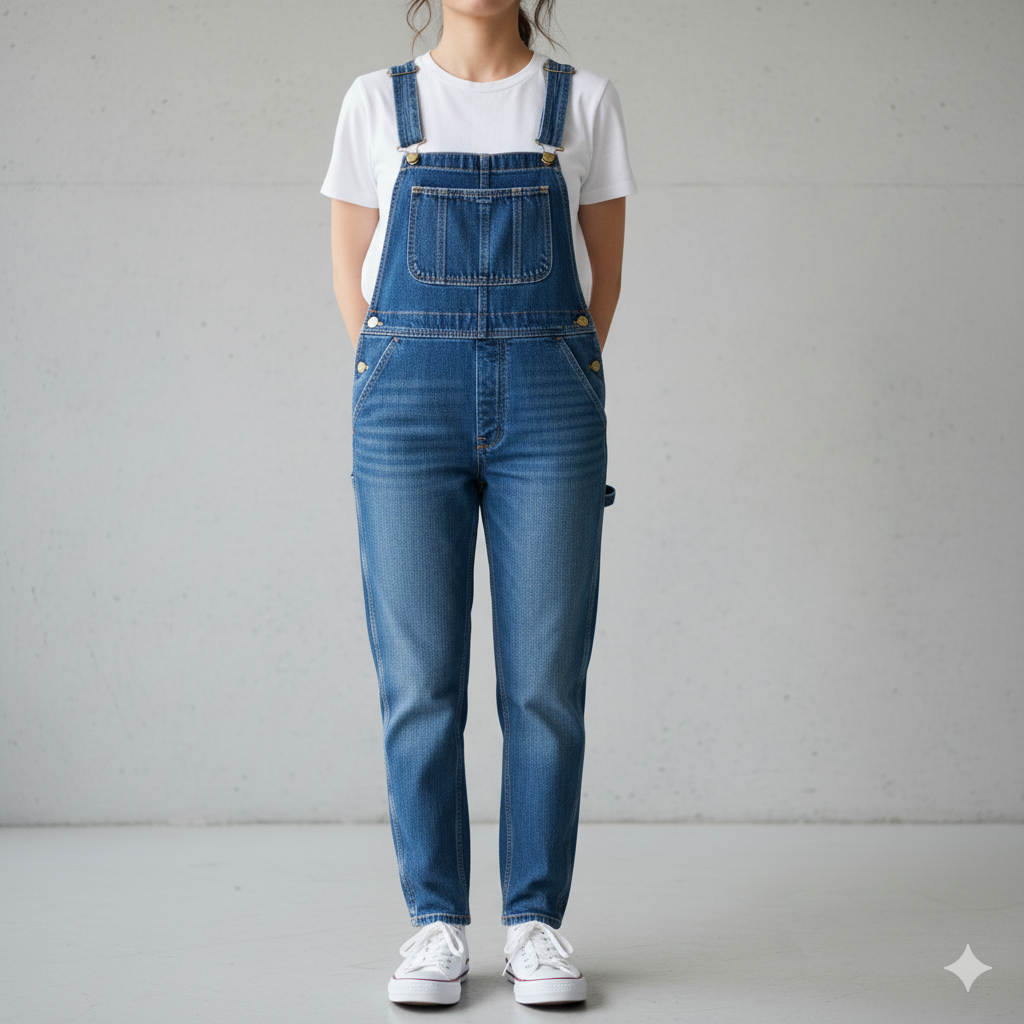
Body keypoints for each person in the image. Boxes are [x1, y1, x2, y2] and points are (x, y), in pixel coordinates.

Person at [322, 0, 636, 1006]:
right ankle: (436, 925)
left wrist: (553, 367)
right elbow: (349, 272)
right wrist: (395, 367)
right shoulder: (377, 103)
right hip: (406, 402)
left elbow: (604, 277)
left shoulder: (580, 100)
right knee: (418, 679)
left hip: (550, 401)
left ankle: (536, 921)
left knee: (545, 681)